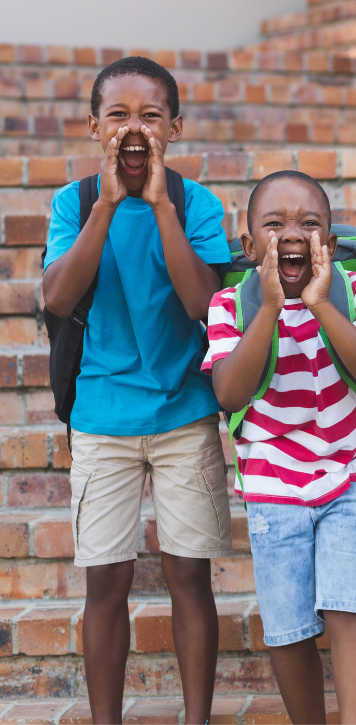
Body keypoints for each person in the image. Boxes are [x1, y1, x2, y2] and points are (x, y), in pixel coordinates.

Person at [41, 56, 232, 725]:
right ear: (95, 127)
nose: (134, 127)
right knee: (106, 581)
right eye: (118, 114)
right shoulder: (73, 204)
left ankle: (197, 718)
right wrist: (107, 208)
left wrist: (157, 206)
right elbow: (59, 297)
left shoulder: (194, 203)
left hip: (184, 413)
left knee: (188, 576)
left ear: (174, 127)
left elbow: (204, 301)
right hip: (101, 415)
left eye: (150, 115)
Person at [203, 170, 356, 725]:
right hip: (272, 481)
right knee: (287, 627)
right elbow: (230, 392)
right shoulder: (229, 305)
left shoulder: (352, 290)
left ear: (329, 246)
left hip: (354, 469)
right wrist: (267, 309)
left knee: (352, 609)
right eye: (275, 224)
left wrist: (321, 305)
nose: (293, 233)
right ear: (249, 246)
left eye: (309, 224)